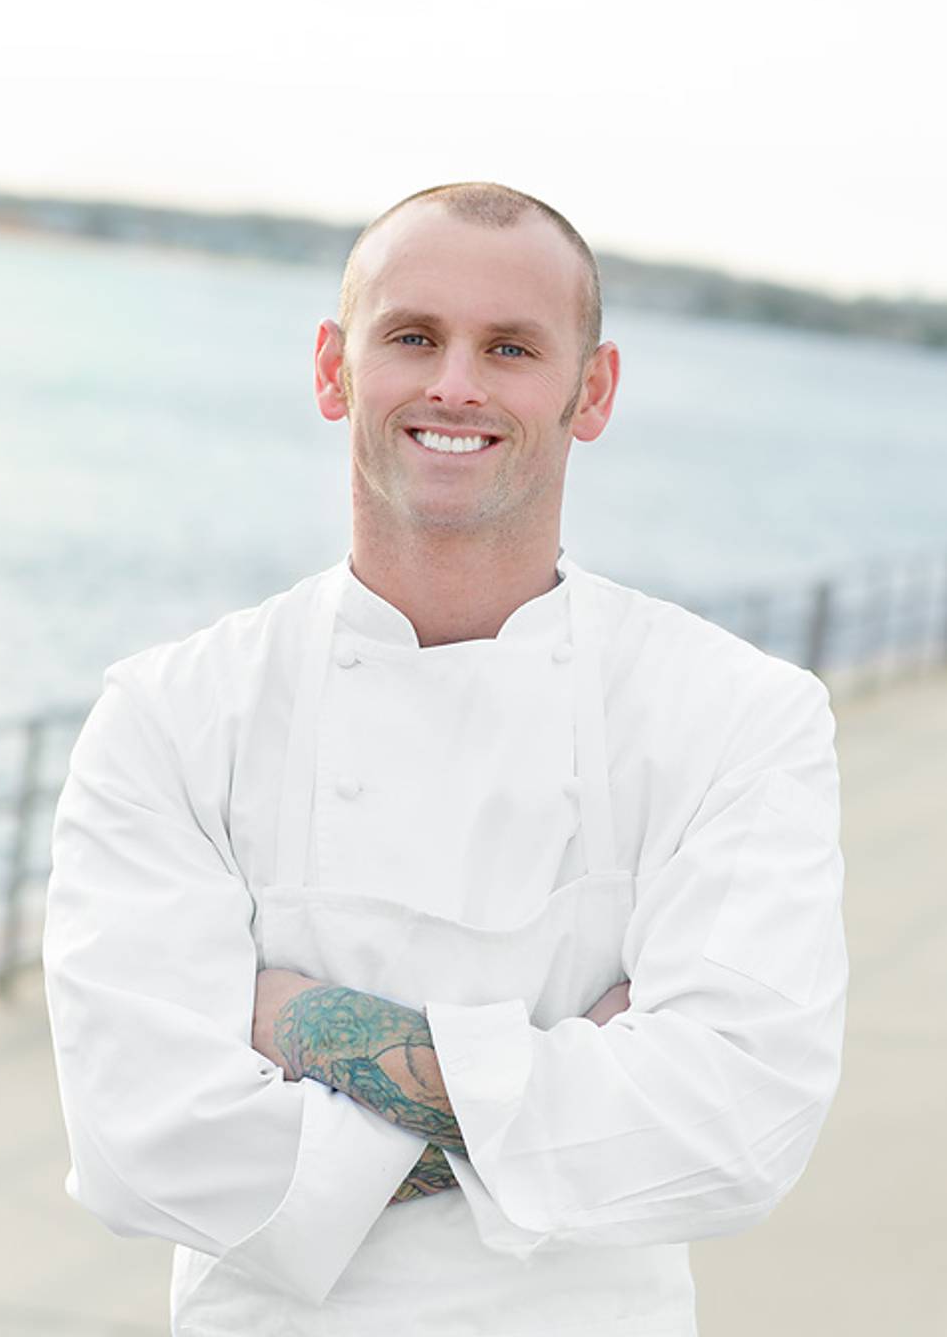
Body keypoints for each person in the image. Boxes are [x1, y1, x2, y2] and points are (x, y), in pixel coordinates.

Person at [42, 181, 848, 1337]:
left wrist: (299, 1025)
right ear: (334, 370)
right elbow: (139, 1146)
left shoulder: (734, 715)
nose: (454, 384)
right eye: (411, 337)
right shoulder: (171, 715)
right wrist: (573, 1080)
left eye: (510, 347)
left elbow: (738, 1129)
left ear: (592, 390)